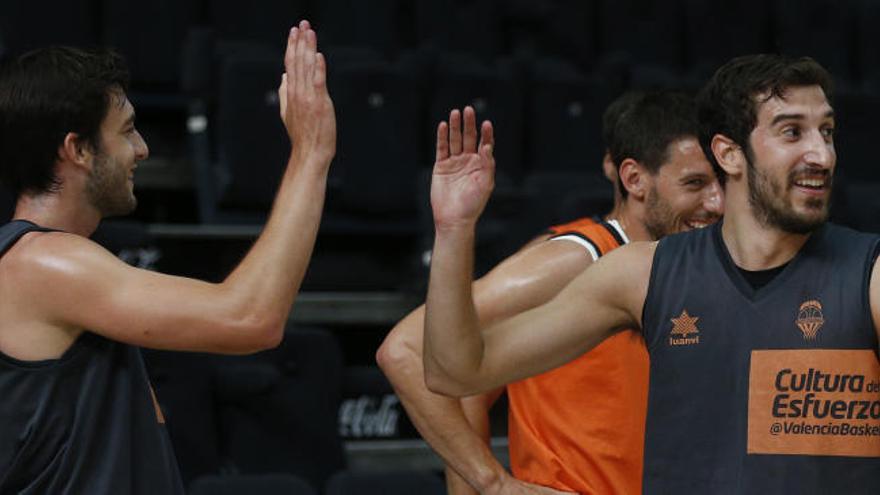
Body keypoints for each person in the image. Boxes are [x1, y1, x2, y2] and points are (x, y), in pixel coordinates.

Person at [422, 54, 880, 494]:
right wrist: (454, 229)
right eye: (792, 132)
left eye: (827, 131)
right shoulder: (641, 273)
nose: (822, 154)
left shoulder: (870, 275)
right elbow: (457, 371)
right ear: (729, 154)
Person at [0, 20, 335, 494]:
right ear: (77, 149)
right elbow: (251, 317)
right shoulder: (43, 262)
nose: (142, 149)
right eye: (127, 131)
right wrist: (311, 152)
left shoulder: (53, 262)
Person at [377, 91, 722, 494]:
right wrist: (492, 484)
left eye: (723, 183)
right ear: (633, 179)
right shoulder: (575, 257)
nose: (716, 203)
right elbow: (405, 350)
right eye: (695, 183)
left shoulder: (689, 264)